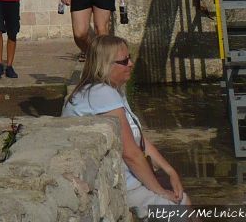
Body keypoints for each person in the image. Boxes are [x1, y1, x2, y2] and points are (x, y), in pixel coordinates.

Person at [63, 35, 191, 216]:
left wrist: (170, 171)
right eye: (124, 61)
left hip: (127, 179)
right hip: (121, 186)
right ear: (105, 65)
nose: (131, 63)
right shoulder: (101, 93)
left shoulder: (113, 90)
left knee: (183, 201)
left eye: (129, 58)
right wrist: (160, 191)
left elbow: (138, 139)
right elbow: (130, 153)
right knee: (179, 208)